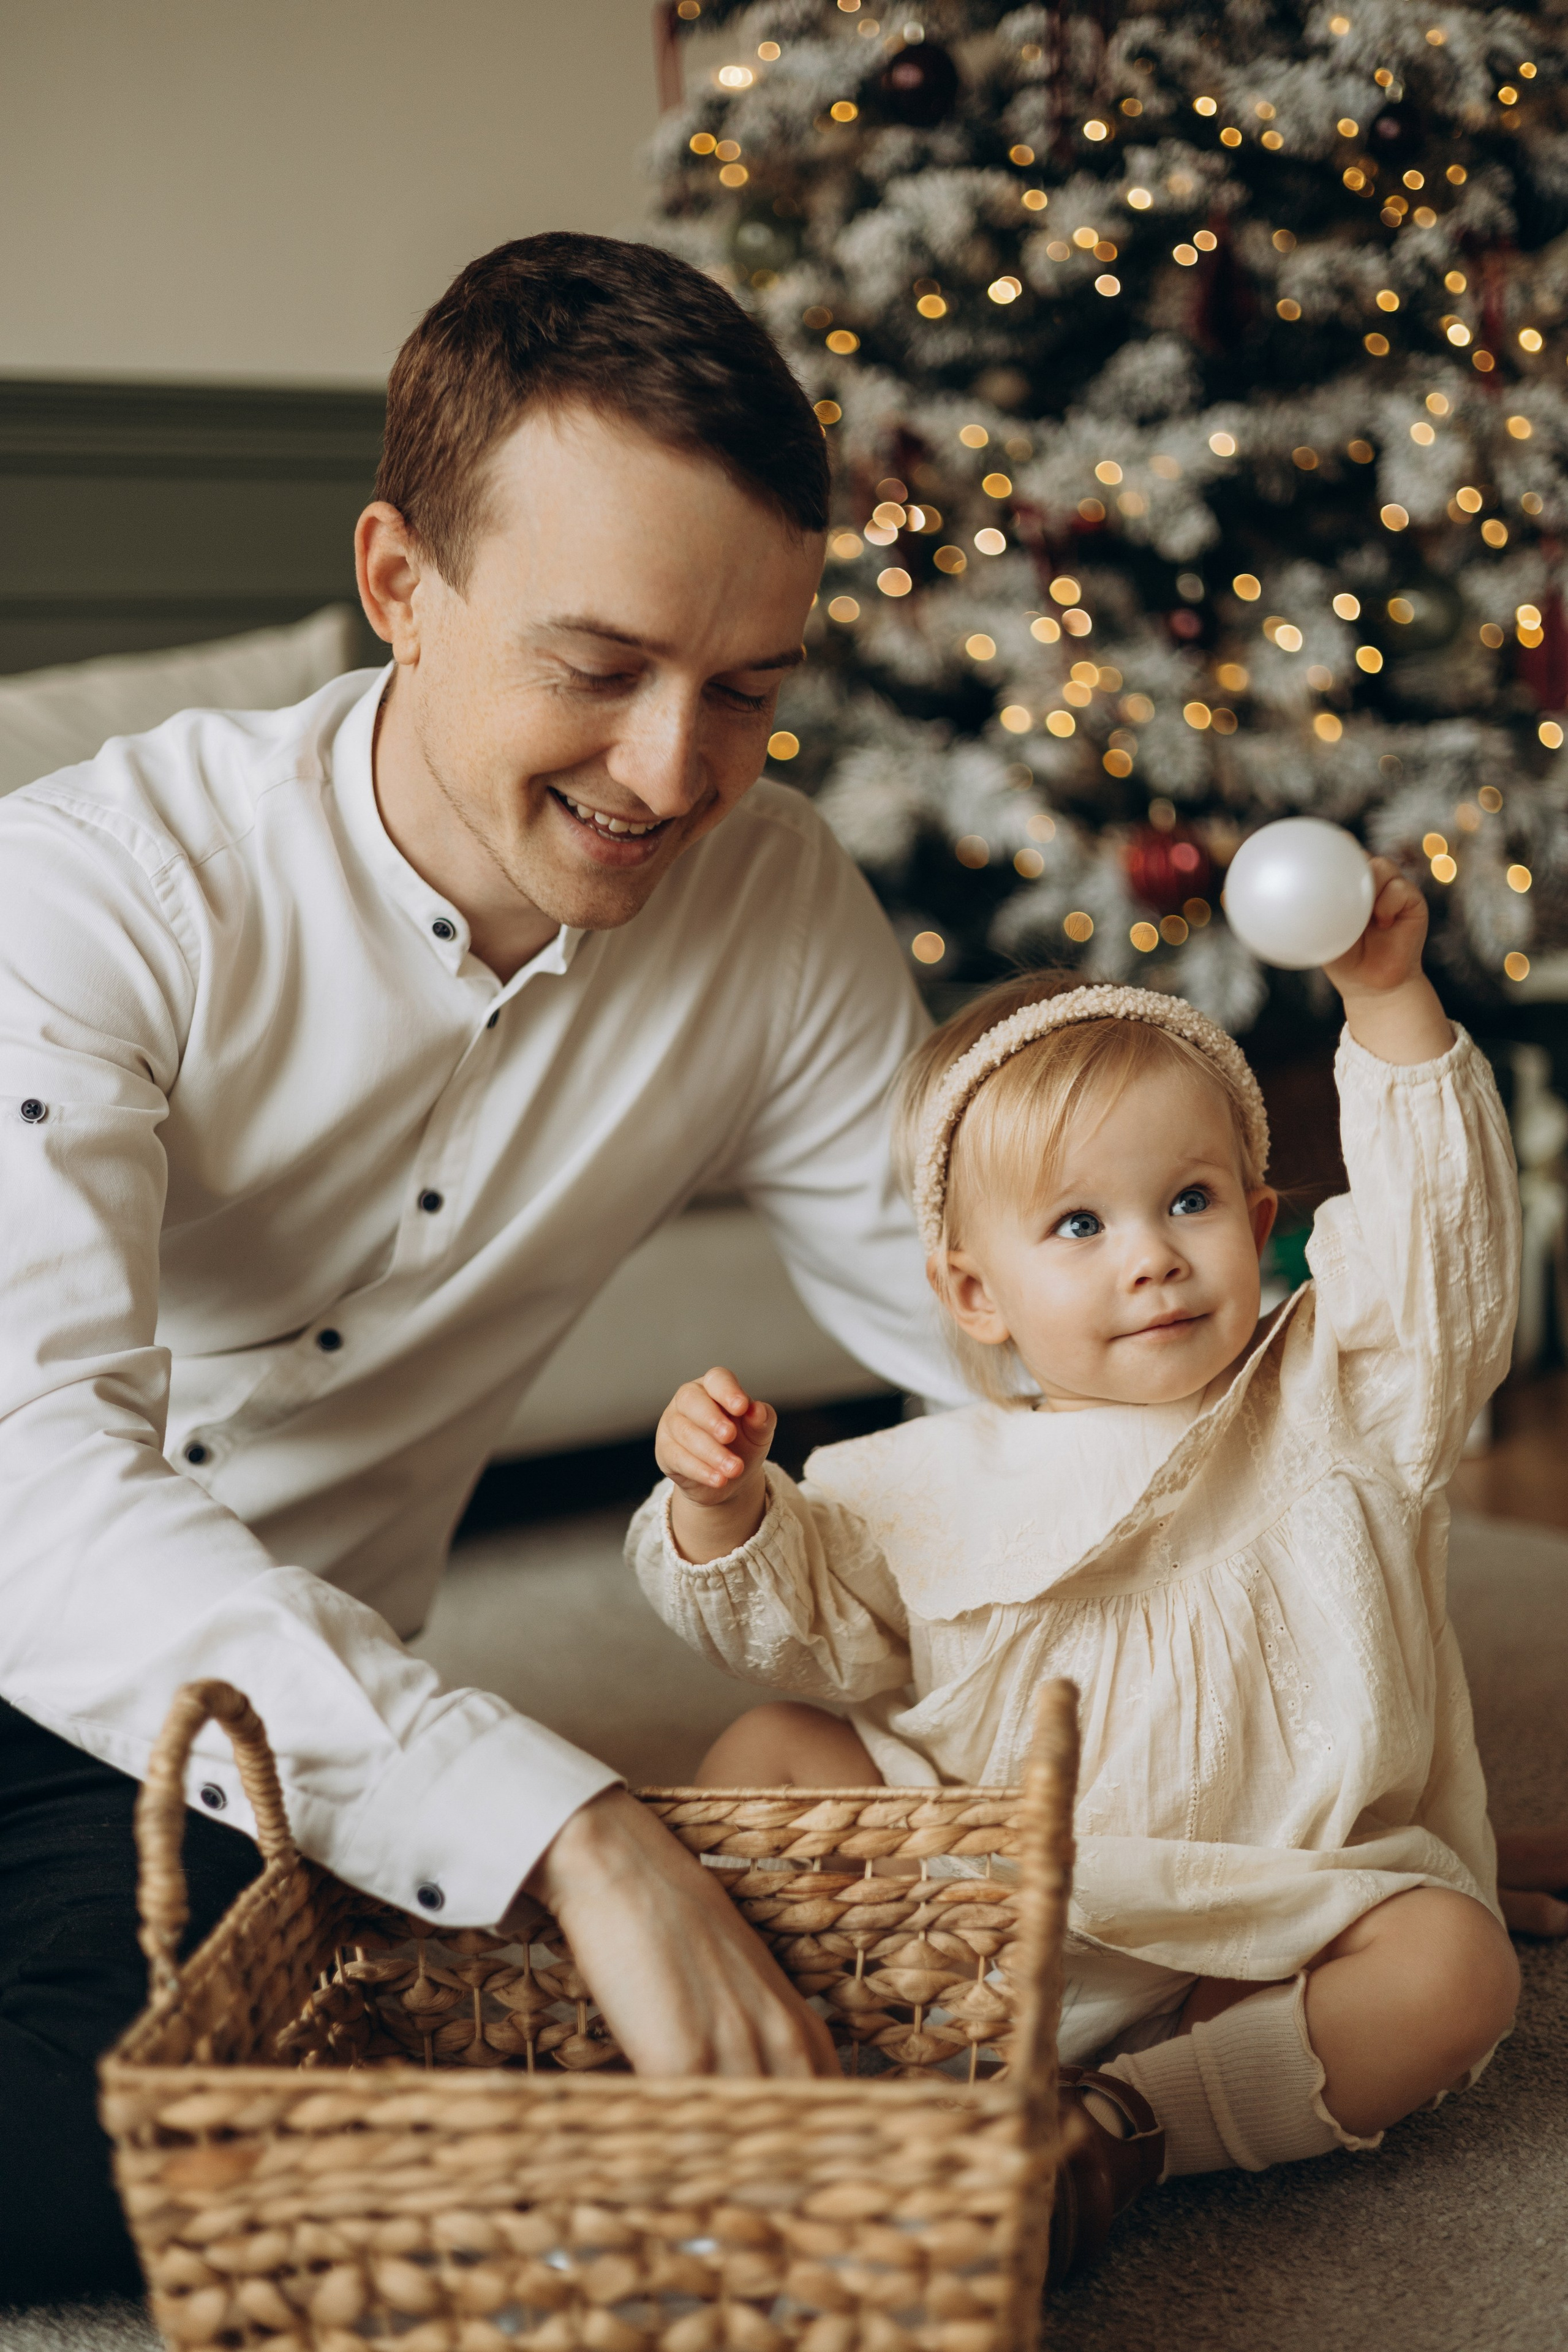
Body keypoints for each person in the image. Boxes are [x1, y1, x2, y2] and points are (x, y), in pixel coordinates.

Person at [0, 233, 961, 2304]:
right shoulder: (88, 891)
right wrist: (561, 1823)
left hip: (237, 1750)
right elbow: (32, 1485)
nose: (672, 773)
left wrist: (1315, 1751)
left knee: (204, 2133)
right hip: (38, 1597)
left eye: (749, 693)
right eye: (598, 666)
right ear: (397, 589)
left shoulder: (775, 913)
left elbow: (997, 1367)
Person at [632, 864, 1529, 2278]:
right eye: (1077, 1226)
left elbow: (1445, 1248)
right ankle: (784, 2058)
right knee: (771, 1746)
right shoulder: (915, 1483)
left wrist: (1382, 997)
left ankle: (1118, 2127)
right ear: (972, 1294)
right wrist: (722, 1505)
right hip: (969, 1905)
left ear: (1256, 1209)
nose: (1151, 1262)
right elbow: (790, 1635)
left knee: (1453, 1969)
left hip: (1254, 1922)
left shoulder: (1337, 1396)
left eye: (1187, 1201)